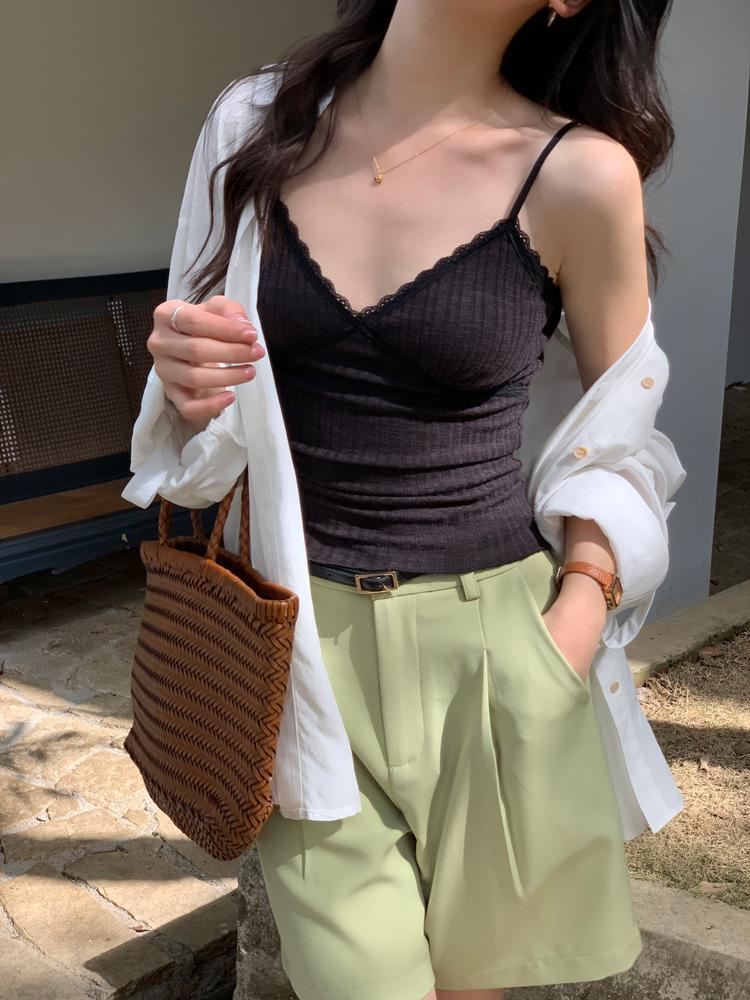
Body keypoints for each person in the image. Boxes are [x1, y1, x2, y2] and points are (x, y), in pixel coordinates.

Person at [125, 1, 683, 996]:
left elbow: (624, 434)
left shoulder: (582, 174)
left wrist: (578, 610)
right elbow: (203, 430)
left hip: (501, 649)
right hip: (294, 644)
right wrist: (181, 380)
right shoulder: (256, 122)